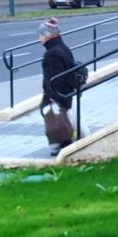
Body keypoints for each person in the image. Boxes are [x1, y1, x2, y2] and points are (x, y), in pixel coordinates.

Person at [39, 18, 76, 154]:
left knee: (53, 119)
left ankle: (59, 147)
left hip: (57, 95)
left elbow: (54, 79)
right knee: (60, 120)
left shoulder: (52, 54)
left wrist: (52, 97)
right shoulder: (62, 48)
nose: (40, 39)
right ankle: (63, 144)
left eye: (42, 35)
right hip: (65, 93)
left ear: (49, 35)